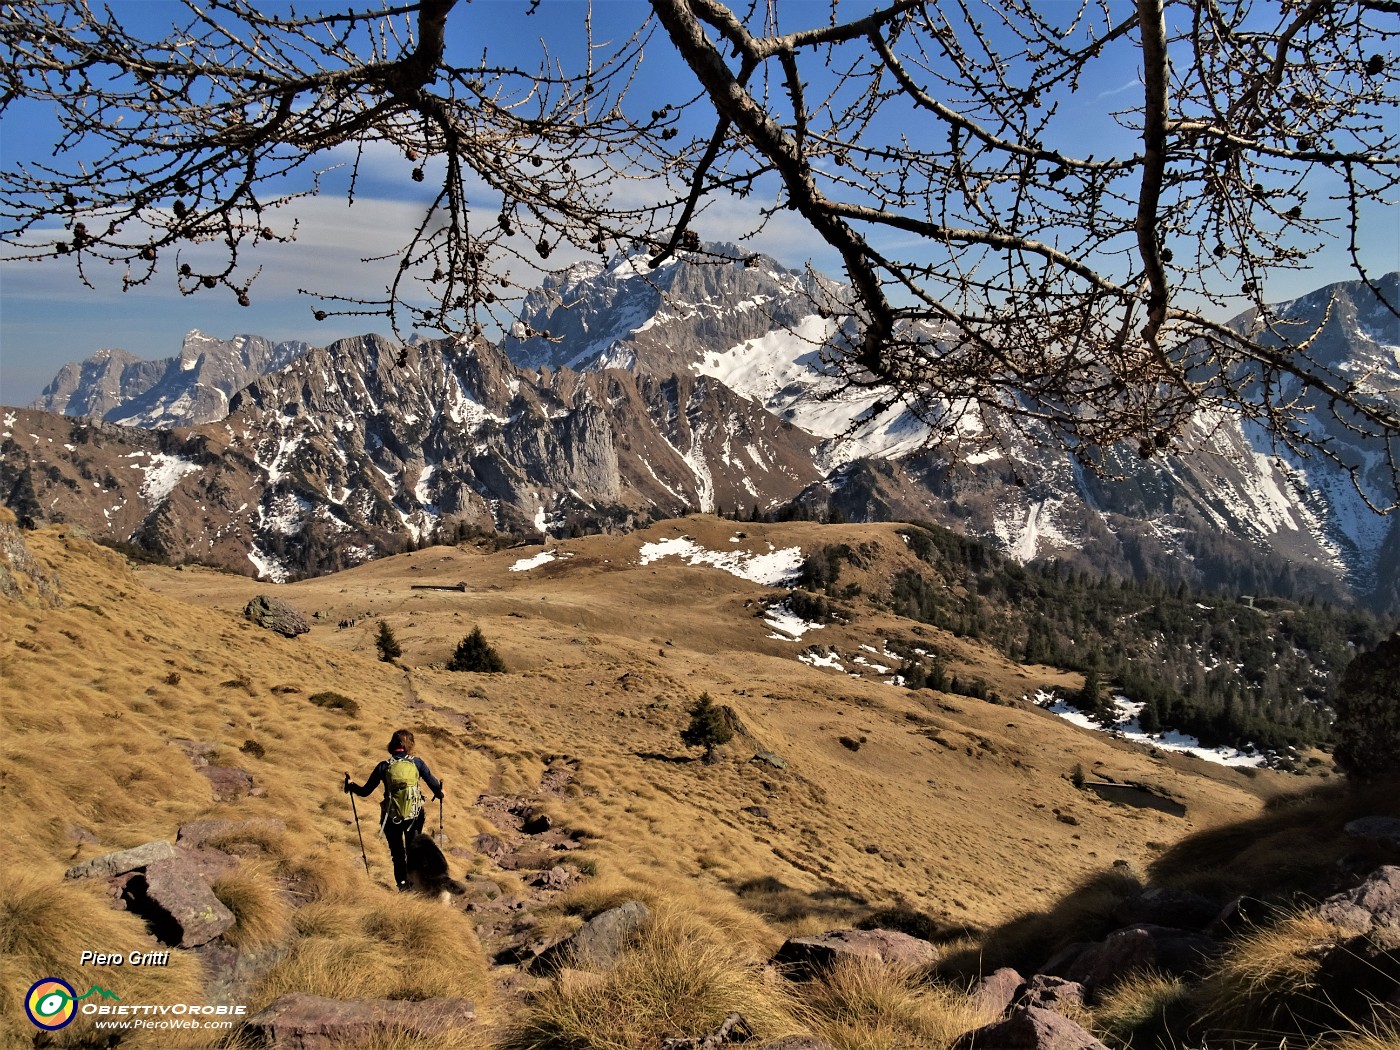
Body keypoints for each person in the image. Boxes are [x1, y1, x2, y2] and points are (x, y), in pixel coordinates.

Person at [344, 729, 443, 892]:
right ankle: (416, 885)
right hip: (414, 816)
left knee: (397, 854)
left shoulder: (384, 766)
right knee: (413, 852)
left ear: (392, 744)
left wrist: (351, 785)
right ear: (410, 745)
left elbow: (365, 792)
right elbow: (437, 792)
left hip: (391, 817)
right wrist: (441, 792)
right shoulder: (417, 763)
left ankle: (403, 886)